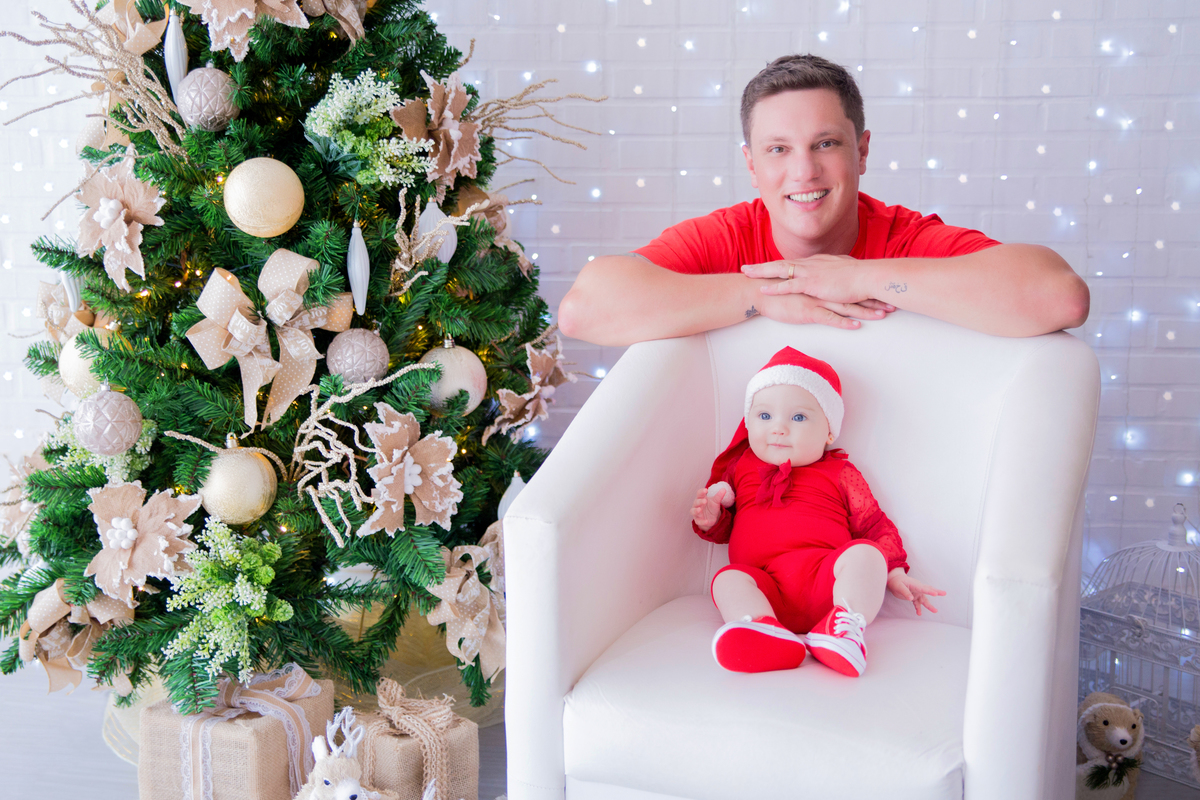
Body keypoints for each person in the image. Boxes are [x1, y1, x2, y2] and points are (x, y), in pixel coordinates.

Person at [557, 54, 1090, 346]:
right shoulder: (727, 236)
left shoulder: (904, 235)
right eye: (778, 149)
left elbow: (1060, 297)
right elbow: (585, 311)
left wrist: (856, 278)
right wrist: (766, 295)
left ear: (861, 152)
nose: (803, 171)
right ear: (751, 165)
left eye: (826, 144)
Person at [692, 346, 944, 675]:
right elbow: (728, 530)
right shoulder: (742, 469)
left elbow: (874, 525)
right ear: (748, 423)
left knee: (866, 554)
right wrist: (712, 519)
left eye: (798, 417)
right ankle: (762, 629)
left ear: (828, 431)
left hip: (827, 586)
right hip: (767, 590)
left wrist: (895, 572)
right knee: (726, 580)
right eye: (764, 416)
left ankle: (842, 630)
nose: (778, 428)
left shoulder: (839, 473)